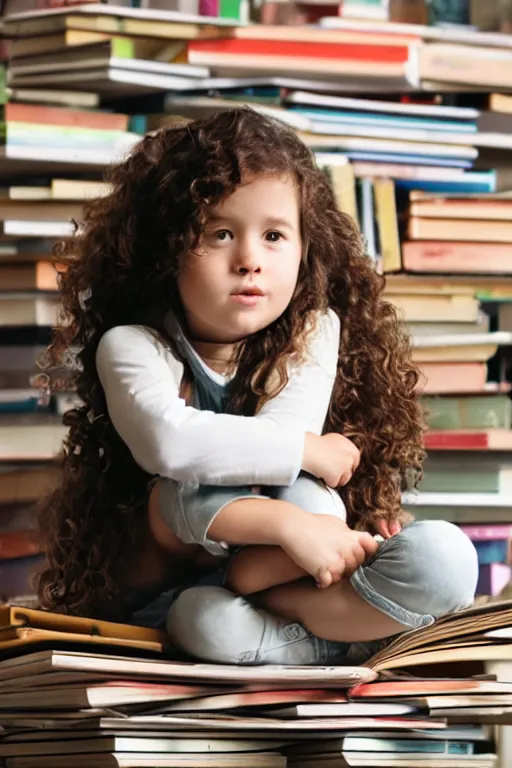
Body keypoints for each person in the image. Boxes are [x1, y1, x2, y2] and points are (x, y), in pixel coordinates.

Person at [37, 108, 478, 666]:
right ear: (166, 249)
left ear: (305, 251)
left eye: (274, 235)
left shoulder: (315, 331)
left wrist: (304, 514)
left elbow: (278, 454)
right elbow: (173, 448)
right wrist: (298, 490)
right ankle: (344, 631)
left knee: (446, 557)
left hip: (296, 565)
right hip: (182, 598)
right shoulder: (132, 347)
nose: (249, 261)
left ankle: (286, 603)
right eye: (220, 233)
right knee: (195, 575)